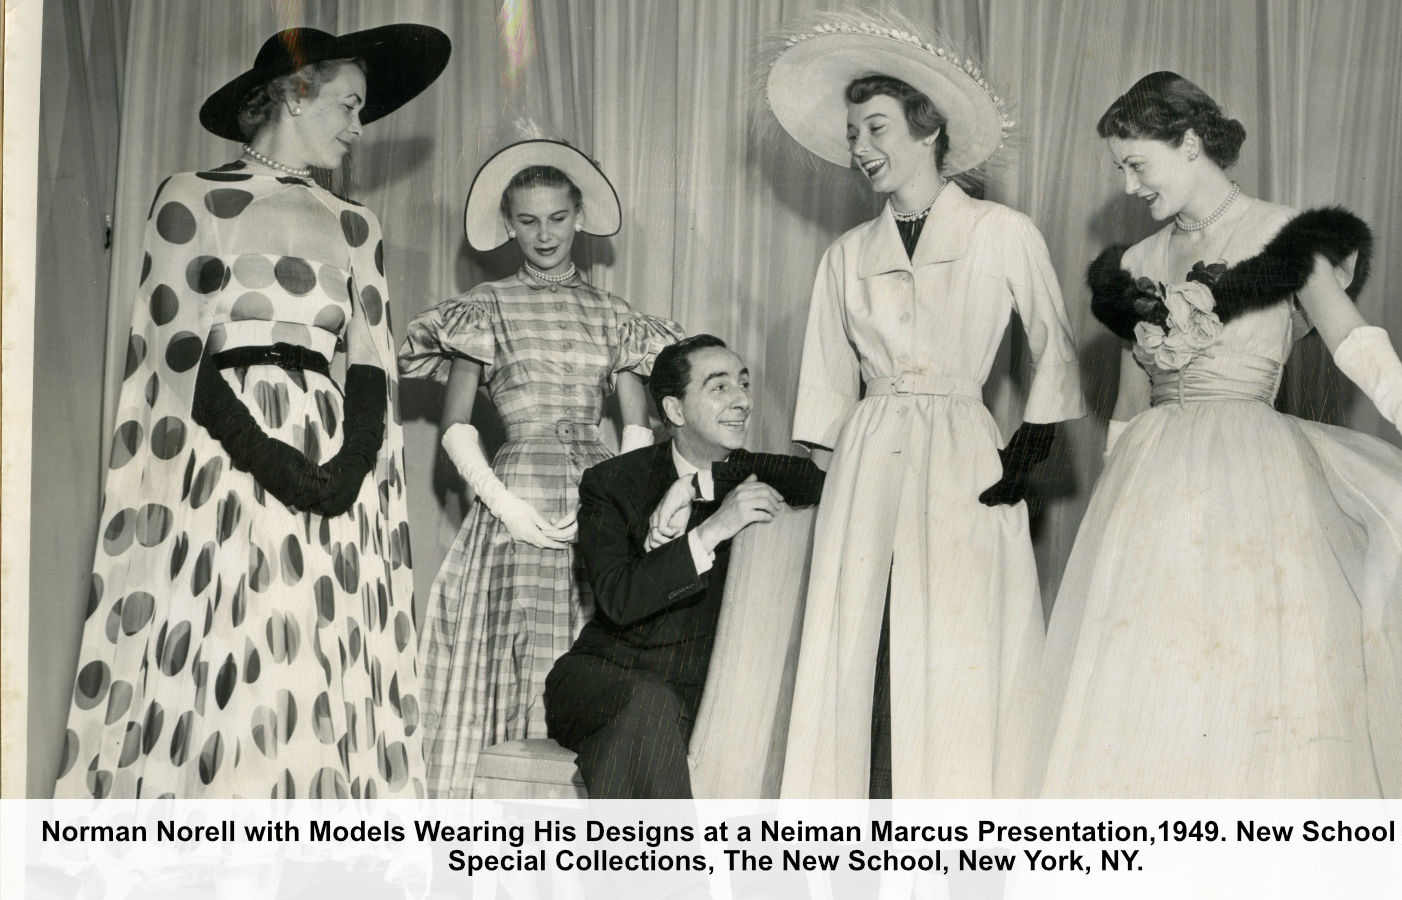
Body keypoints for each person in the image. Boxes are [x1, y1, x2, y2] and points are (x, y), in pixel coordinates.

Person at [1029, 71, 1402, 797]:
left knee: (1251, 670)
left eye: (1137, 164)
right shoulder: (1134, 263)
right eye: (1120, 170)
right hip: (1152, 486)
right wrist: (1115, 501)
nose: (1128, 187)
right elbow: (1132, 399)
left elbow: (1351, 337)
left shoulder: (1285, 235)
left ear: (1189, 143)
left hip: (1252, 479)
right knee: (1153, 675)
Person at [55, 25, 450, 800]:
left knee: (311, 651)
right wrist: (273, 461)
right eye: (348, 104)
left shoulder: (356, 224)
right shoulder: (193, 197)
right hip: (227, 456)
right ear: (296, 92)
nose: (358, 126)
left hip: (332, 461)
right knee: (238, 656)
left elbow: (370, 357)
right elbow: (174, 350)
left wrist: (346, 469)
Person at [762, 12, 1087, 798]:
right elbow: (825, 391)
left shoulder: (1002, 232)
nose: (860, 148)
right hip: (868, 454)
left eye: (876, 127)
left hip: (964, 451)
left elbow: (1055, 344)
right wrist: (836, 486)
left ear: (927, 126)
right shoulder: (846, 256)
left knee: (957, 638)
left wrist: (1034, 439)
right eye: (852, 134)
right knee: (862, 637)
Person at [398, 140, 684, 798]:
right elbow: (456, 426)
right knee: (521, 650)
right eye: (527, 220)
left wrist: (616, 507)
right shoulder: (486, 305)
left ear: (579, 216)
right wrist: (504, 505)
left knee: (593, 641)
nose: (544, 234)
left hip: (596, 492)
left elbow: (637, 428)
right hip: (518, 494)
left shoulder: (615, 315)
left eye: (557, 218)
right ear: (509, 223)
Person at [543, 335, 825, 798]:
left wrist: (698, 484)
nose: (742, 401)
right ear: (675, 410)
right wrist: (711, 531)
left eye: (744, 384)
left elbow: (815, 480)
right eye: (719, 387)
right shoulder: (612, 483)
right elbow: (619, 598)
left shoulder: (752, 472)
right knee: (648, 710)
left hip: (694, 693)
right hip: (601, 680)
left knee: (651, 721)